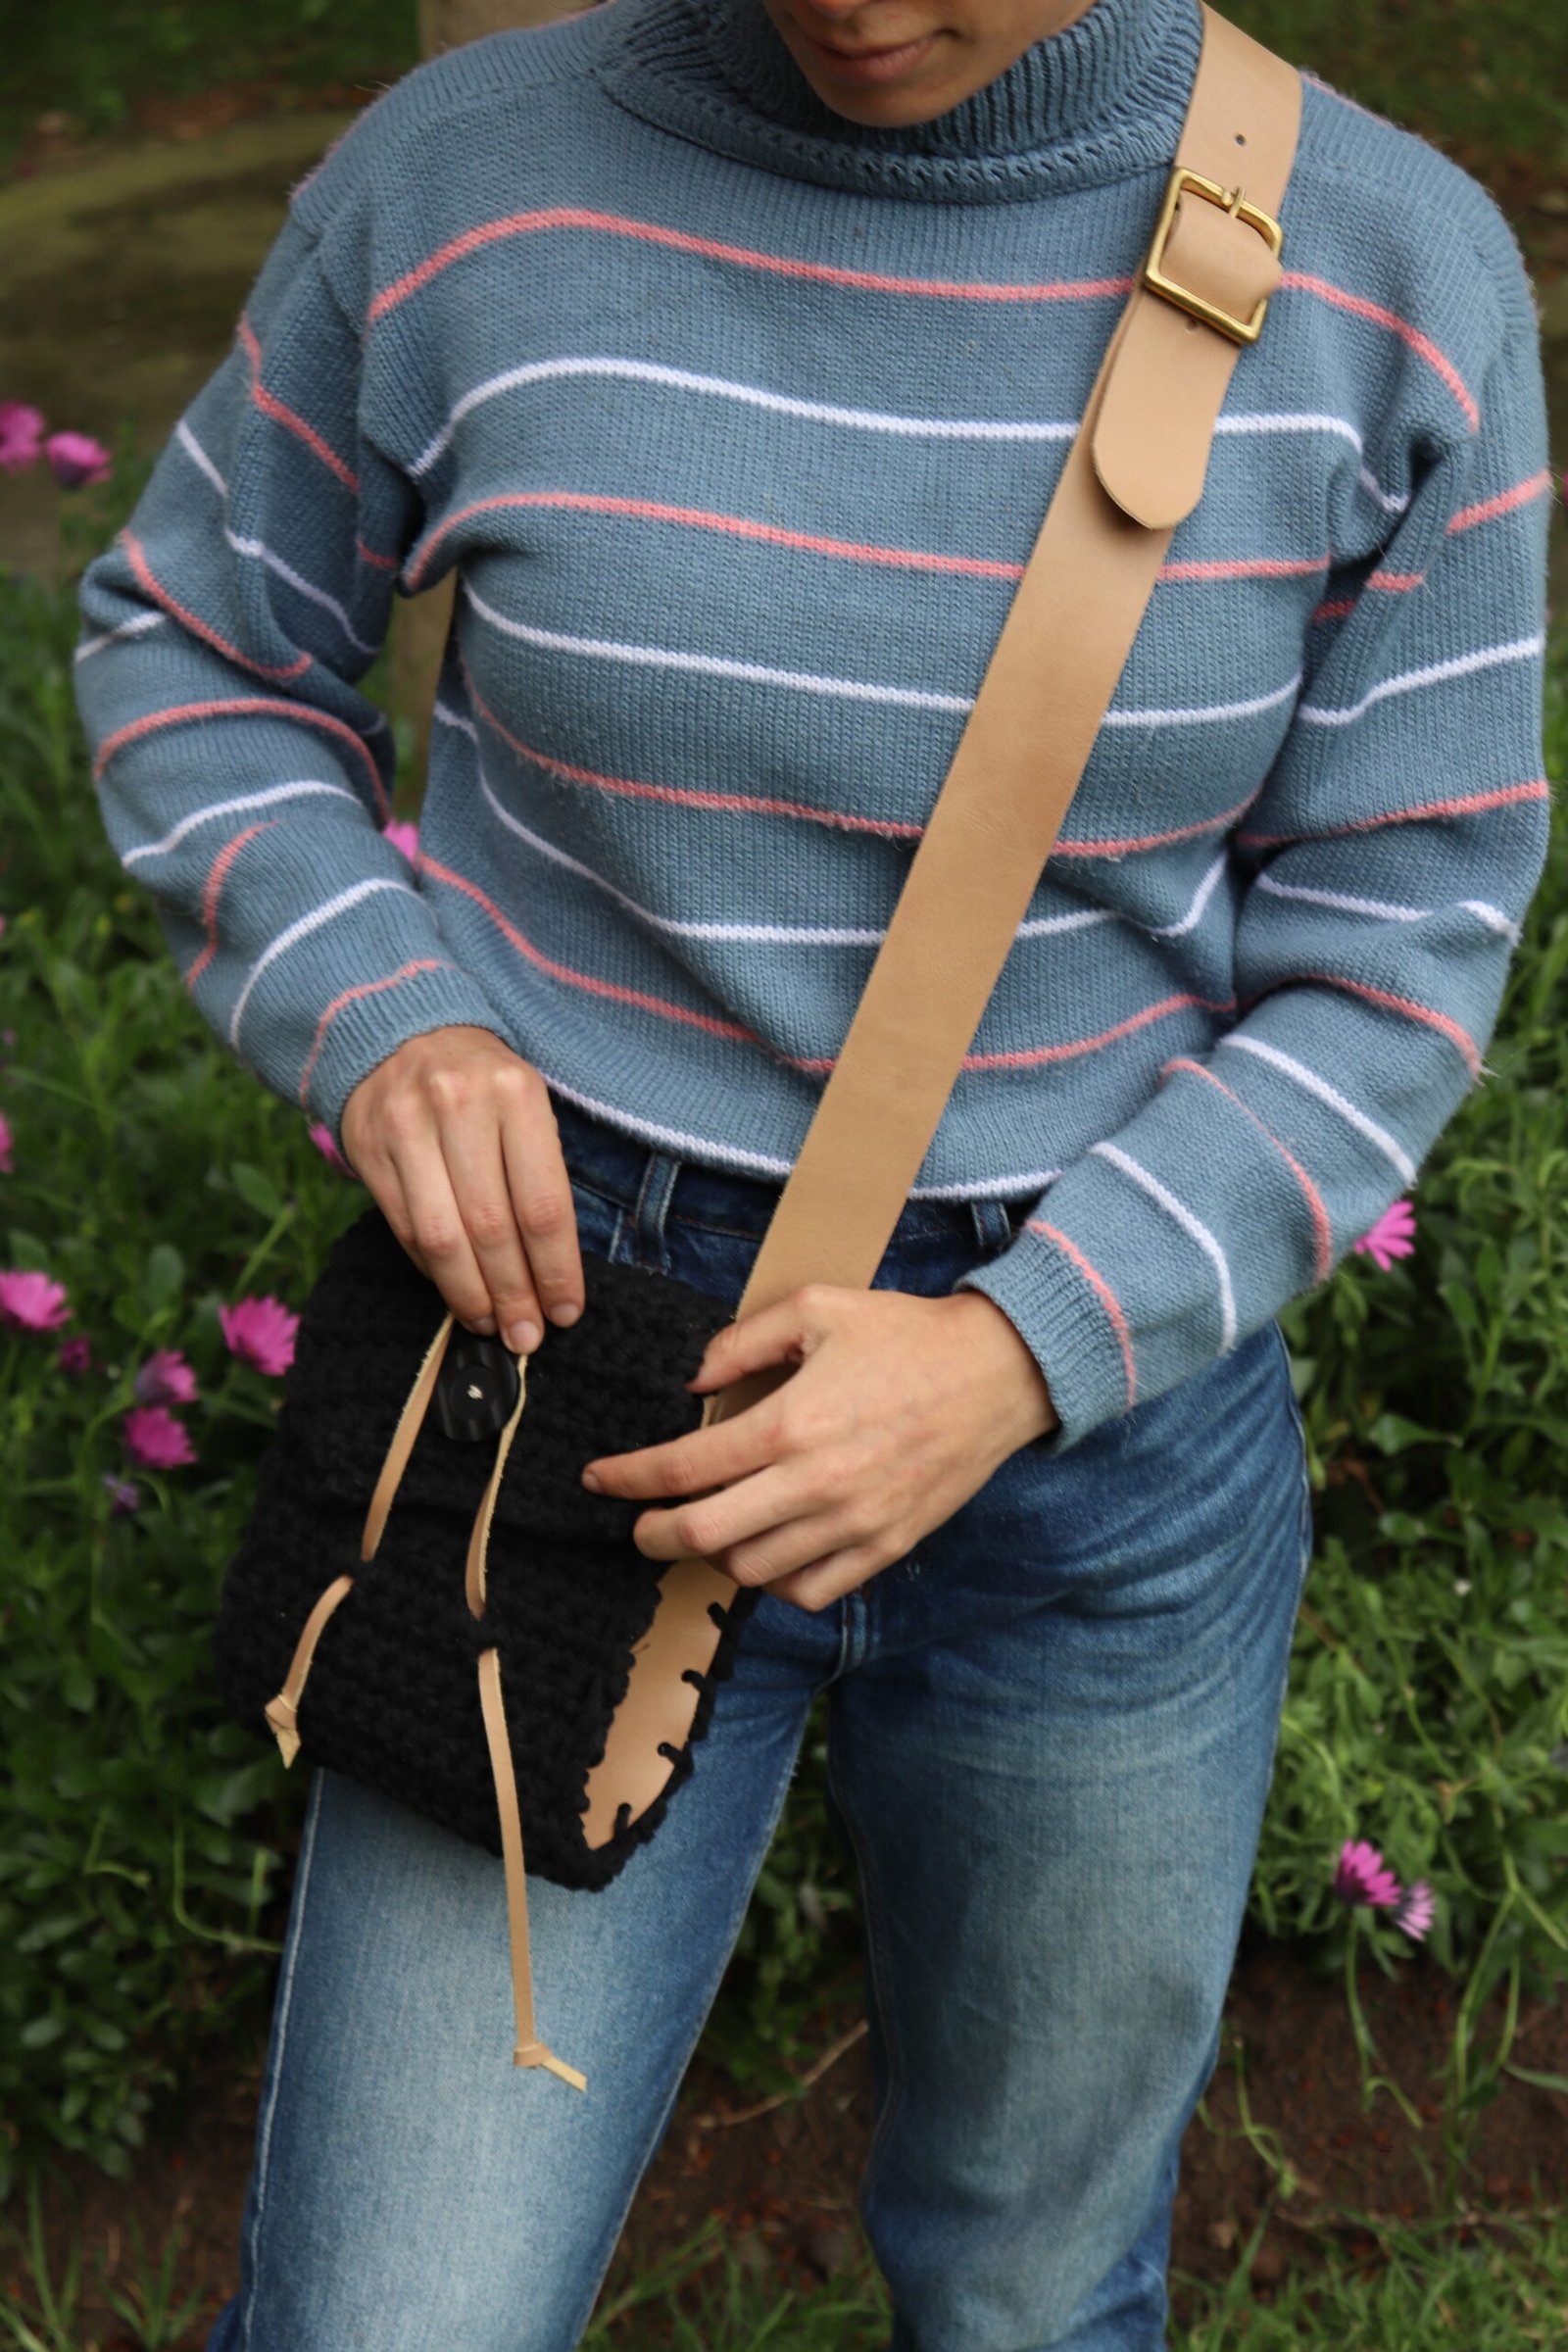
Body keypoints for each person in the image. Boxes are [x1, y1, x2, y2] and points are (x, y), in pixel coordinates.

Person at [74, 0, 1549, 2342]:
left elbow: (1399, 937)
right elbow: (195, 643)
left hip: (1099, 1451)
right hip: (564, 1379)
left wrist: (1015, 1353)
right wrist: (383, 1010)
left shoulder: (1386, 272)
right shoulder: (464, 176)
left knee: (1035, 2293)